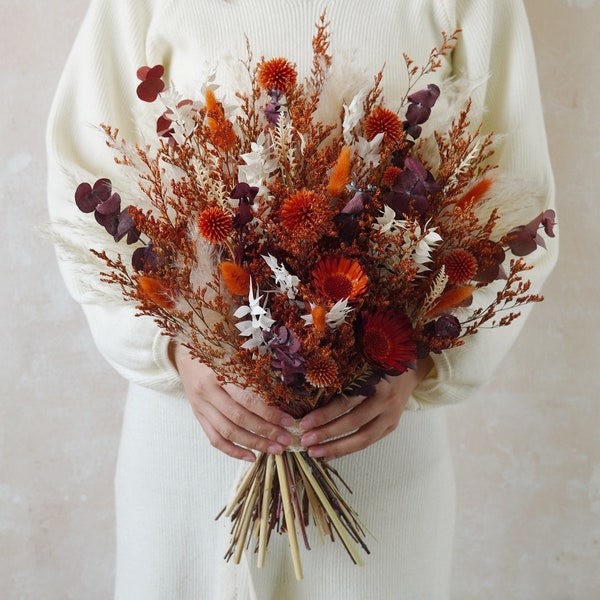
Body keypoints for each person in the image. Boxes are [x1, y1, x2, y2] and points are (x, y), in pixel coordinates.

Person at [47, 1, 558, 598]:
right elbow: (79, 175)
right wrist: (175, 349)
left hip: (378, 448)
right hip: (189, 445)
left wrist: (418, 363)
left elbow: (518, 211)